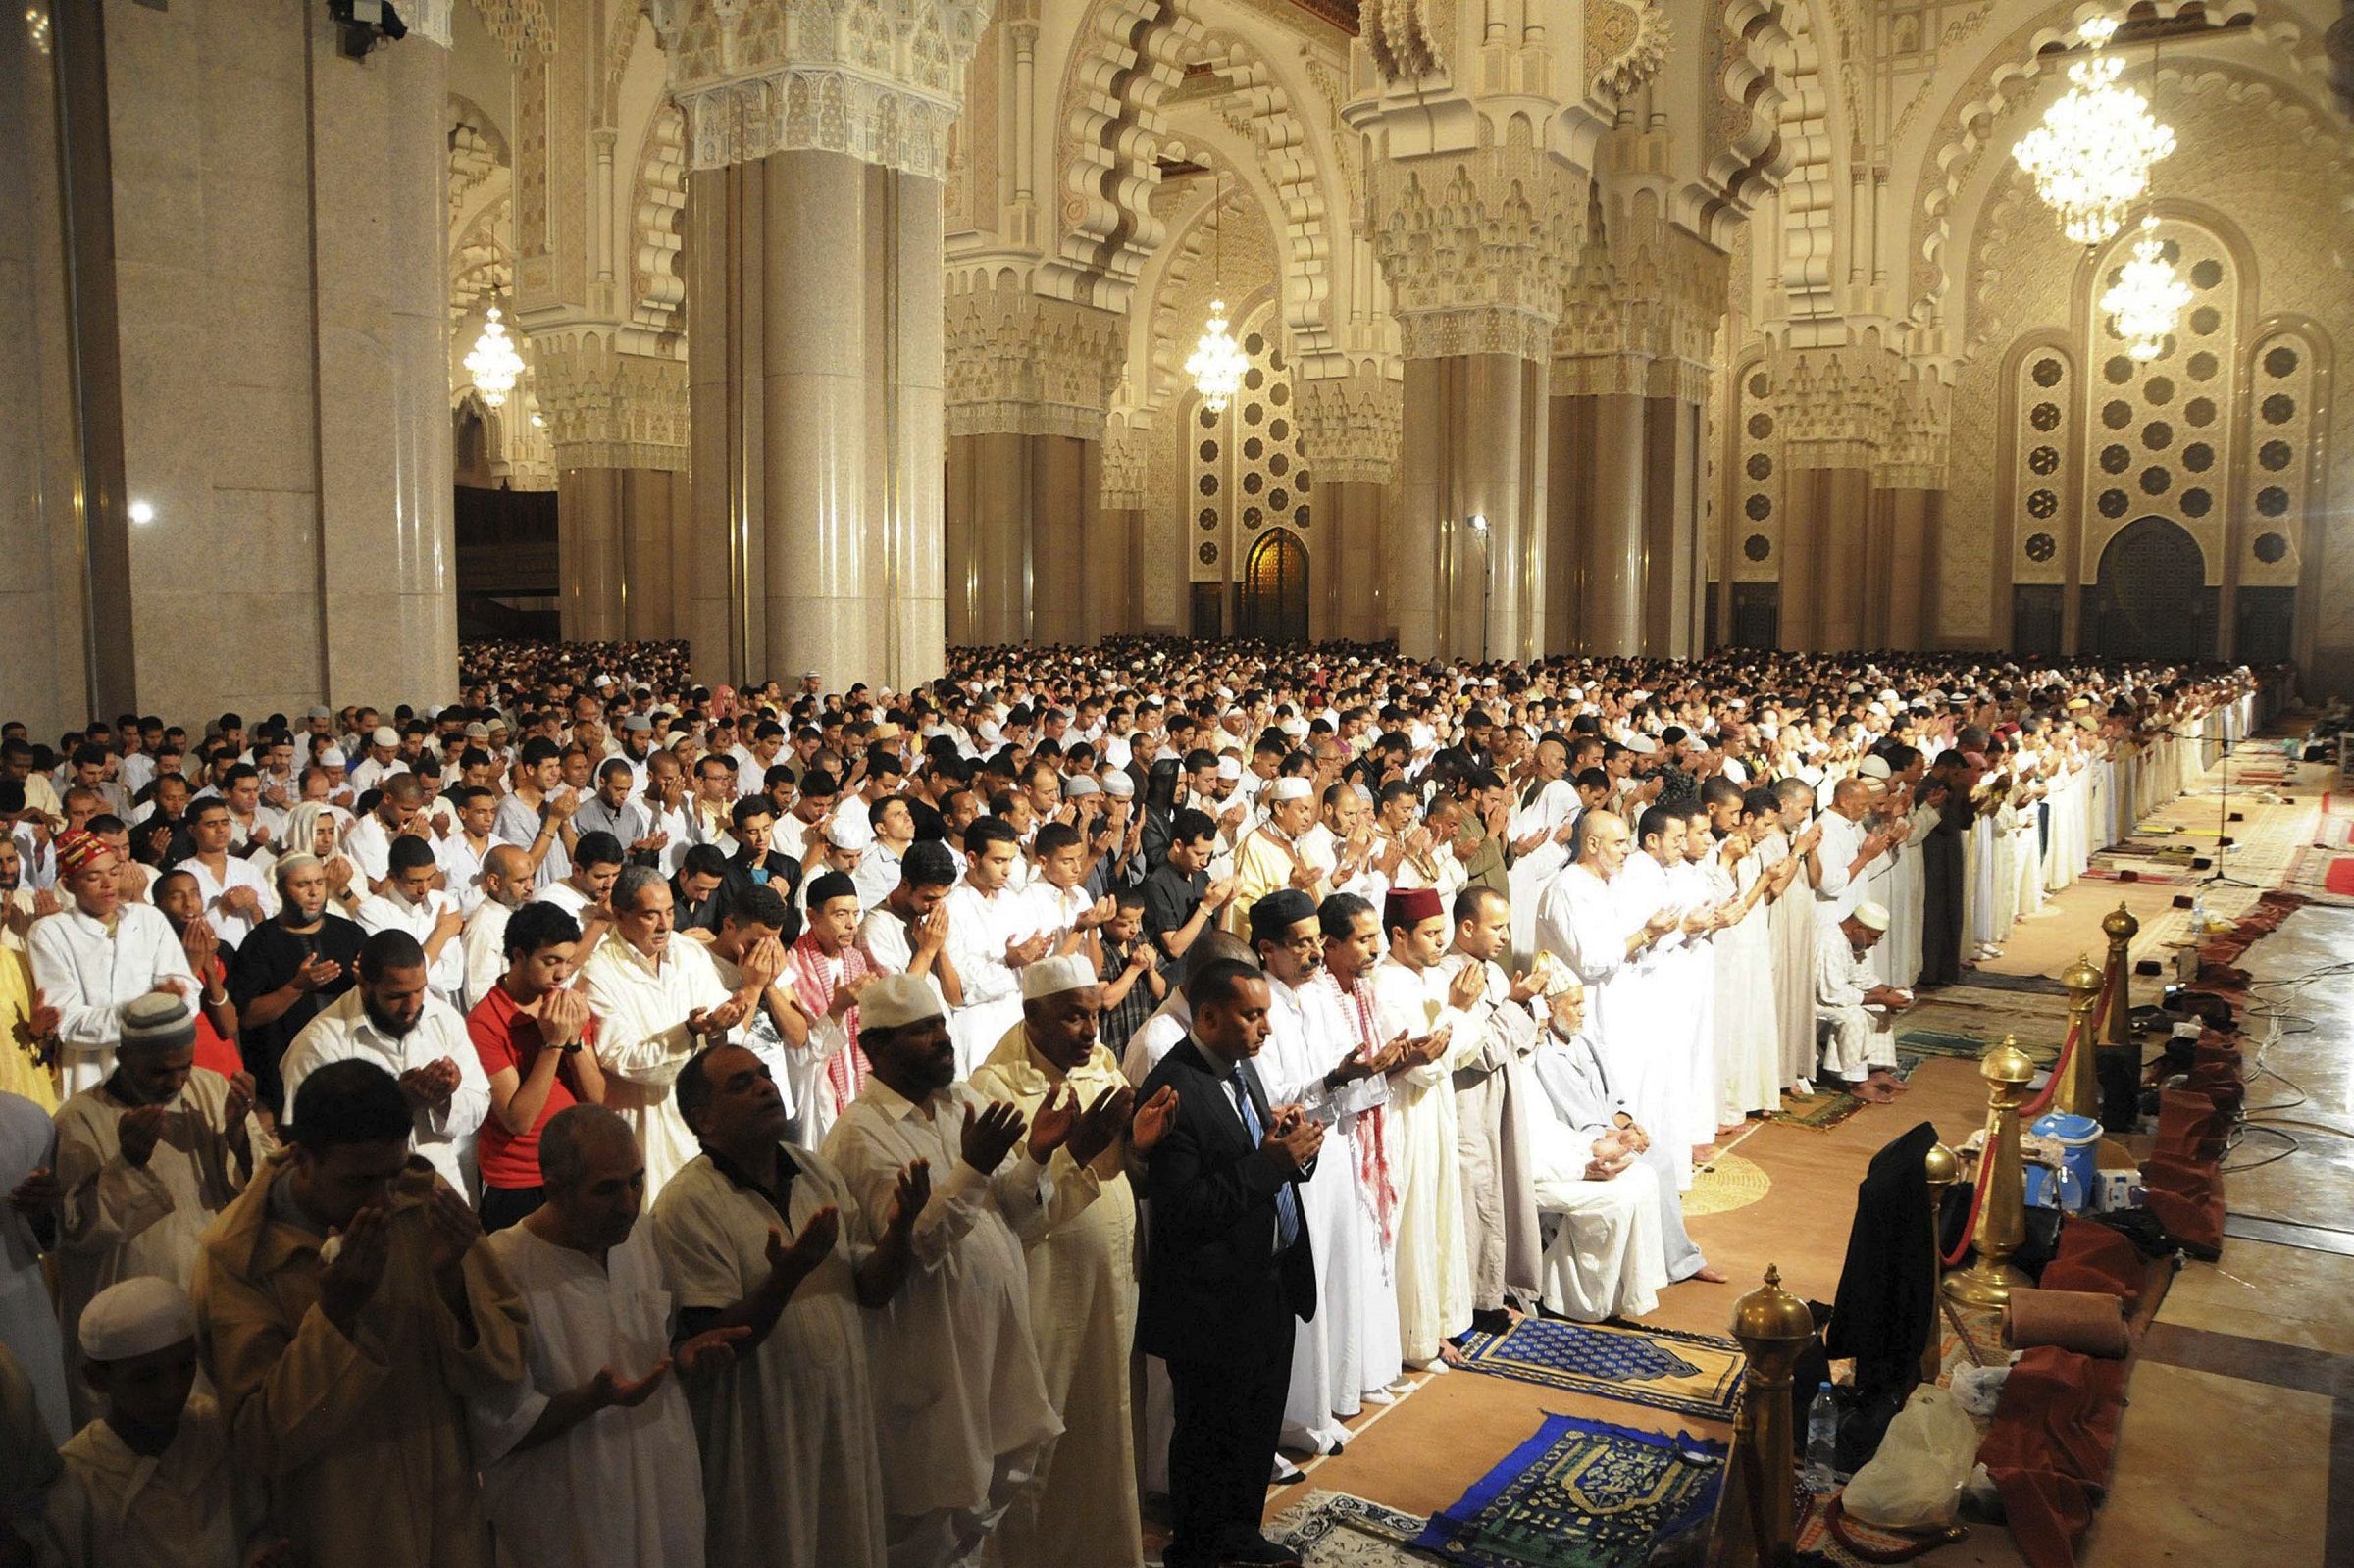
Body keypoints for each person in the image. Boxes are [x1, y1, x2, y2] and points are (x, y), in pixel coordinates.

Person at [193, 1058, 529, 1568]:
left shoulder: (424, 1206)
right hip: (338, 1531)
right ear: (303, 1158)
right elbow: (261, 1442)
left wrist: (452, 1284)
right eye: (359, 1181)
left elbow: (505, 1370)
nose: (381, 1200)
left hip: (447, 1518)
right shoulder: (242, 1257)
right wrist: (335, 1320)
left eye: (392, 1176)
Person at [820, 972, 1067, 1567]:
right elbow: (912, 1249)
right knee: (929, 1518)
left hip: (994, 1342)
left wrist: (1037, 1154)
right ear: (874, 1048)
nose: (940, 1038)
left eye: (940, 1025)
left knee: (992, 1489)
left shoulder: (965, 1102)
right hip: (932, 1351)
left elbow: (1016, 1211)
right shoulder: (859, 1135)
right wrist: (973, 1167)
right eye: (920, 1030)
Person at [650, 1040, 924, 1568]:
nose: (765, 1086)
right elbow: (716, 1343)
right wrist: (790, 1274)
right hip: (760, 1440)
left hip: (840, 1421)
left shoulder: (814, 1172)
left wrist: (901, 1229)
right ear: (703, 1120)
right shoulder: (687, 1204)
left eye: (764, 1074)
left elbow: (872, 1291)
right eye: (741, 1084)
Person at [969, 953, 1174, 1568]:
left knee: (1108, 1421)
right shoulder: (994, 1089)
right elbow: (1006, 1213)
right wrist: (1075, 1154)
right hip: (1044, 1286)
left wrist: (1137, 1147)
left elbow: (1119, 1171)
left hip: (1112, 1277)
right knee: (1040, 1435)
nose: (1090, 1031)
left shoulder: (1104, 1066)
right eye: (1072, 1018)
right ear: (1031, 1016)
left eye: (1094, 1015)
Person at [472, 1105, 739, 1568]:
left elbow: (663, 1344)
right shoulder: (500, 1267)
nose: (629, 1204)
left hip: (663, 1491)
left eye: (636, 1181)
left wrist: (686, 1357)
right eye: (607, 1189)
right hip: (569, 1518)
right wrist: (595, 1399)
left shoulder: (644, 1237)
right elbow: (498, 1428)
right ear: (554, 1190)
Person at [1136, 958, 1320, 1568]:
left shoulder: (1239, 1069)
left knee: (1254, 1428)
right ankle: (1196, 1551)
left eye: (1266, 1013)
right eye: (1252, 1014)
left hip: (1266, 1286)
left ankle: (1240, 1536)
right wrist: (1272, 1162)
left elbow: (1256, 1157)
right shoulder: (1172, 1087)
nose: (1265, 1028)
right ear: (1208, 1016)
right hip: (1212, 1302)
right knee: (1210, 1435)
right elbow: (1186, 1207)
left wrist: (1289, 1147)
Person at [51, 991, 256, 1424]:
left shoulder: (212, 1088)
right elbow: (76, 1232)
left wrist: (238, 1135)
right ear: (124, 1056)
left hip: (208, 1306)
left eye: (184, 1065)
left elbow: (252, 1198)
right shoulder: (79, 1119)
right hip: (133, 1328)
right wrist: (129, 1163)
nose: (178, 1080)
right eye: (161, 1070)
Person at [38, 1276, 280, 1568]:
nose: (173, 1390)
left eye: (184, 1367)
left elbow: (258, 1525)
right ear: (98, 1379)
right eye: (146, 1378)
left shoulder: (216, 1428)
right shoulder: (77, 1482)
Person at [577, 864, 751, 1196]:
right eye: (650, 915)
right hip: (647, 1123)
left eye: (670, 912)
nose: (664, 925)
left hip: (702, 1116)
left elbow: (721, 1027)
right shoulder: (600, 973)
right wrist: (688, 1031)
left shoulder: (688, 954)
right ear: (619, 914)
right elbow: (622, 1057)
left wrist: (719, 1028)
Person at [279, 930, 492, 1195]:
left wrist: (444, 1098)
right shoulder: (319, 1042)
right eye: (396, 996)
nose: (412, 1006)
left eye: (419, 990)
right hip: (362, 1207)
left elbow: (478, 1108)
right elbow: (306, 1143)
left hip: (439, 1197)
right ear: (363, 984)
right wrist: (395, 1104)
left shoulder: (444, 1019)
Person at [1368, 885, 1479, 1369]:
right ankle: (1411, 1339)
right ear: (1399, 934)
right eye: (1431, 934)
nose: (1441, 943)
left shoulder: (1429, 978)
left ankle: (1434, 1327)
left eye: (1442, 933)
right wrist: (1456, 1013)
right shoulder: (1385, 986)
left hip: (1435, 1114)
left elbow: (1464, 1050)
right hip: (1405, 1117)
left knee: (1438, 1216)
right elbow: (1422, 1066)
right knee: (1414, 1221)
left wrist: (1459, 1015)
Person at [1437, 885, 1544, 1331]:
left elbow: (1514, 1040)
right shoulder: (1451, 975)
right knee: (1474, 1198)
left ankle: (1496, 1288)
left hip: (1501, 1097)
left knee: (1500, 1192)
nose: (1504, 937)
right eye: (1495, 927)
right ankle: (1472, 1302)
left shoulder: (1494, 974)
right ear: (1466, 927)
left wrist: (1518, 1008)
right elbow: (1476, 1052)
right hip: (1469, 1102)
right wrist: (1516, 1008)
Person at [28, 830, 196, 1096]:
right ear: (68, 883)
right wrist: (145, 1011)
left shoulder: (148, 919)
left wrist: (170, 1003)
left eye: (114, 873)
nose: (108, 884)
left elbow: (187, 992)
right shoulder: (50, 932)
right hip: (91, 1076)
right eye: (94, 877)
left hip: (159, 1068)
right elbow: (68, 1022)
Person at [469, 902, 603, 1231]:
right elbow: (517, 1119)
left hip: (574, 1168)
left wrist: (573, 1043)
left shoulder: (563, 1003)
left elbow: (596, 1098)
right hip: (518, 1180)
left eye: (568, 962)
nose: (561, 974)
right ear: (518, 955)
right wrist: (553, 1044)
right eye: (550, 961)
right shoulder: (485, 1021)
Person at [226, 852, 365, 1121]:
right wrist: (296, 987)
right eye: (302, 885)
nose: (314, 893)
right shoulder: (259, 943)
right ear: (280, 889)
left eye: (320, 883)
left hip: (349, 1072)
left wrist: (367, 986)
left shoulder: (350, 934)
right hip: (286, 1080)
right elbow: (248, 1017)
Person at [1817, 901, 1915, 1102]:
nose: (1875, 944)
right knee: (1855, 1015)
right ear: (1858, 928)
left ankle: (1876, 1069)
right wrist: (1882, 996)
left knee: (1879, 1006)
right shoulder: (1830, 941)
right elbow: (1833, 992)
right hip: (1813, 998)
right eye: (1874, 938)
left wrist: (1892, 992)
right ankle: (1857, 1082)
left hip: (1832, 995)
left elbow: (1863, 980)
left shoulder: (1851, 941)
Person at [354, 834, 467, 1003]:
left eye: (430, 878)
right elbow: (399, 977)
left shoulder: (445, 903)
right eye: (414, 882)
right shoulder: (371, 912)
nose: (424, 888)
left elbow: (453, 976)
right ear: (392, 877)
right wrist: (441, 934)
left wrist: (421, 965)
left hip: (445, 1008)